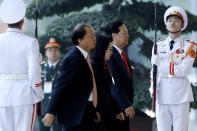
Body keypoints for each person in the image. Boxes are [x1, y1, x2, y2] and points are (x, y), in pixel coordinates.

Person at [42, 24, 96, 131]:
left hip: (86, 110)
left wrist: (93, 109)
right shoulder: (73, 58)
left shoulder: (85, 57)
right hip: (75, 115)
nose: (94, 39)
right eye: (91, 37)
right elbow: (60, 86)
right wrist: (51, 111)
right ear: (80, 40)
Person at [150, 6, 196, 131]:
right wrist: (152, 88)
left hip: (180, 94)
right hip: (161, 93)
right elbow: (153, 71)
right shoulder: (158, 45)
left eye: (176, 20)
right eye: (169, 20)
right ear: (166, 24)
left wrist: (160, 62)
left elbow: (182, 71)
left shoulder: (189, 47)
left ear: (182, 24)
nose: (172, 23)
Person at [0, 0, 44, 130]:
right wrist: (38, 93)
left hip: (2, 94)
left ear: (5, 22)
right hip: (24, 96)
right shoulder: (30, 42)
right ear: (22, 21)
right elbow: (34, 72)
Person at [105, 20, 135, 131]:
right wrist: (125, 104)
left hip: (124, 110)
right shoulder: (110, 54)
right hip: (116, 110)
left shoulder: (121, 54)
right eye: (124, 33)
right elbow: (113, 83)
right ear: (114, 35)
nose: (128, 35)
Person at [91, 34, 125, 131]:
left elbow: (107, 93)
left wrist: (117, 111)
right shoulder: (93, 67)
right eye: (110, 49)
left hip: (103, 115)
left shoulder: (103, 66)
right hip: (94, 116)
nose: (112, 52)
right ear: (102, 49)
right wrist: (94, 111)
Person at [38, 37, 62, 131]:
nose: (53, 52)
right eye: (50, 50)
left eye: (55, 50)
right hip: (43, 106)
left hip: (59, 107)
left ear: (59, 52)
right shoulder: (39, 67)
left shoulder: (64, 66)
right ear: (46, 52)